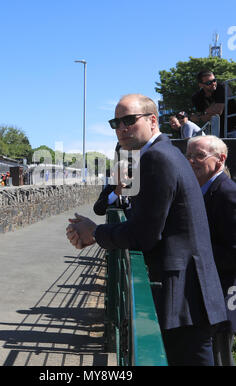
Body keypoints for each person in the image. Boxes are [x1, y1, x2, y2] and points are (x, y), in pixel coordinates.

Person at [66, 93, 227, 366]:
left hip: (185, 300)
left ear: (153, 120)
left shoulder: (156, 158)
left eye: (129, 120)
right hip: (189, 296)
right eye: (115, 123)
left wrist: (94, 232)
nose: (121, 128)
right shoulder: (162, 154)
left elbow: (144, 234)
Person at [186, 135, 236, 366]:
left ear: (220, 160)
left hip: (222, 295)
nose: (192, 161)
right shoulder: (203, 190)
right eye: (189, 156)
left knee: (220, 356)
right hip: (207, 294)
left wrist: (191, 251)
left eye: (199, 155)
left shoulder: (227, 193)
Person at [191, 70, 236, 138]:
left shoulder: (222, 87)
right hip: (218, 131)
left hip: (233, 128)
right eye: (209, 82)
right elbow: (198, 117)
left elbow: (217, 112)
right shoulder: (196, 97)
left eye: (214, 80)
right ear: (201, 85)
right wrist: (207, 113)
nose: (213, 83)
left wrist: (205, 113)